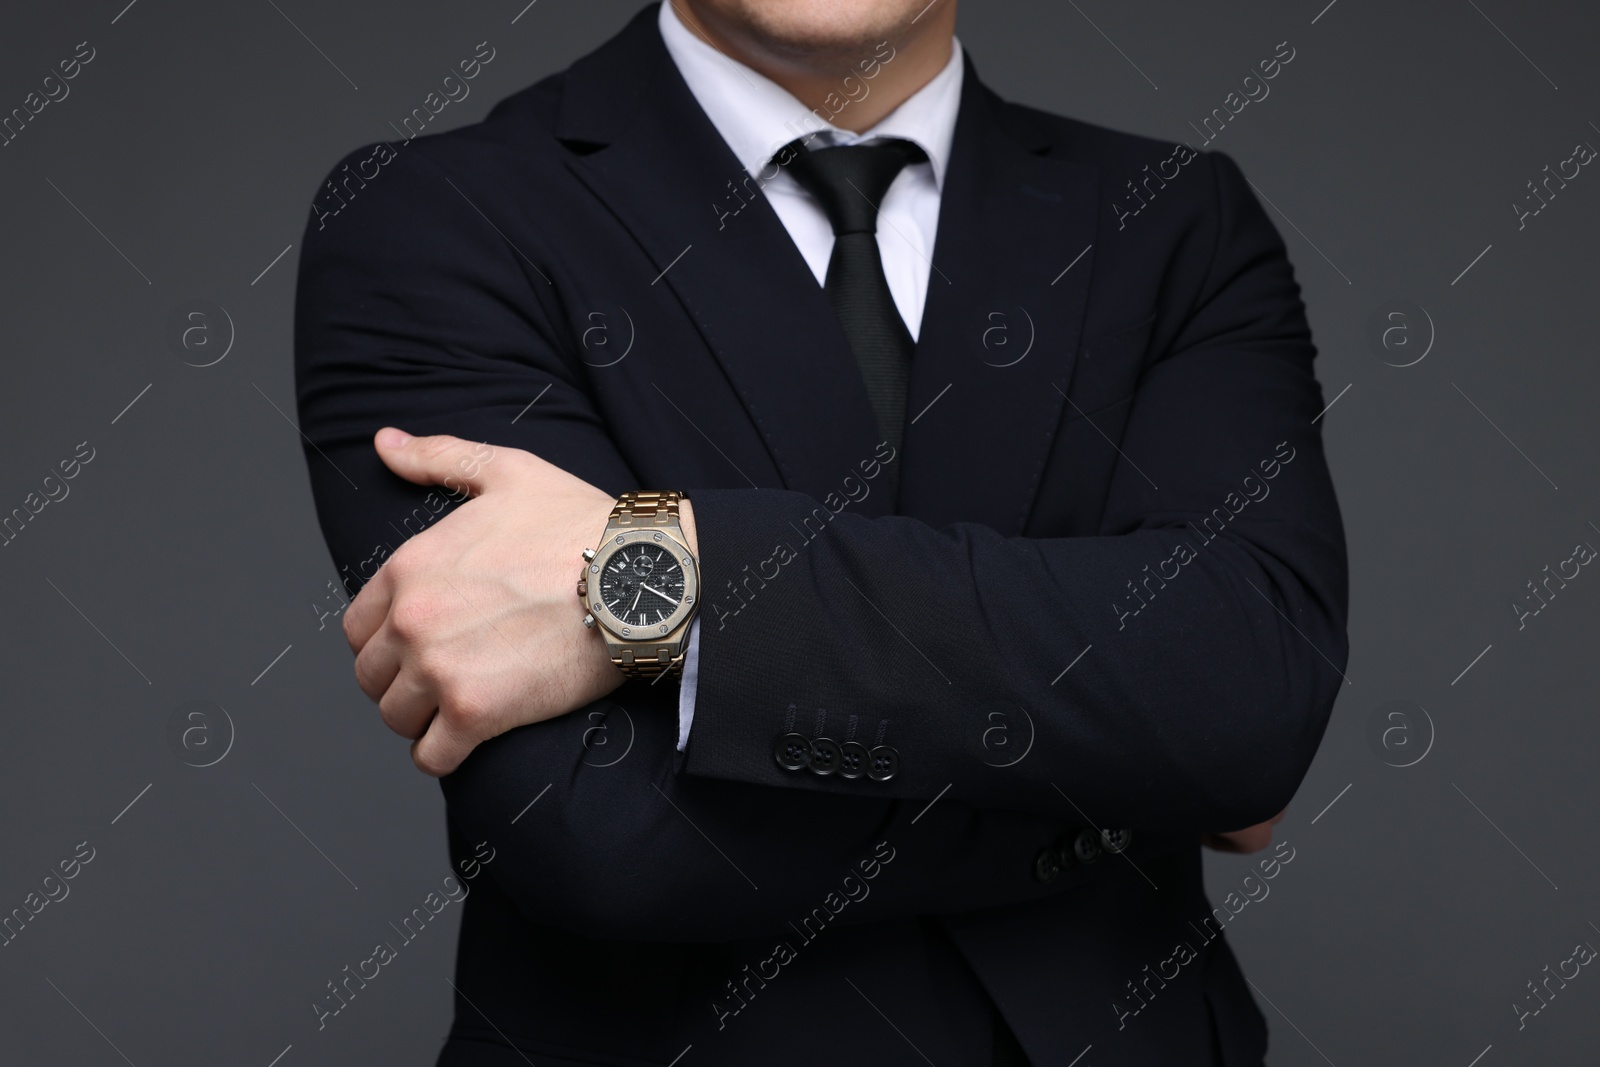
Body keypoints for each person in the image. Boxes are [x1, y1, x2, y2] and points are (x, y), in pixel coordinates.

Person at [293, 1, 1348, 1063]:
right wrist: (1129, 779)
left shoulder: (1173, 216)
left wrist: (682, 575)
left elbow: (1254, 689)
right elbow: (598, 830)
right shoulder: (431, 212)